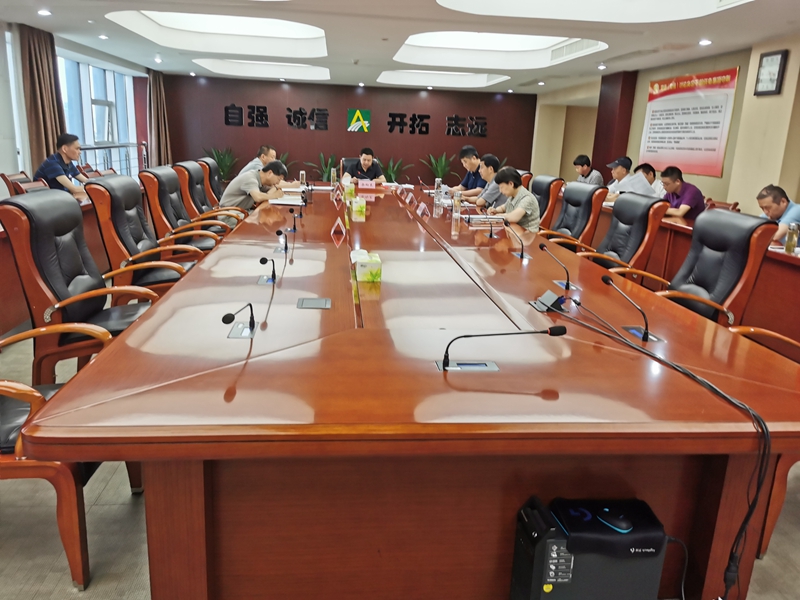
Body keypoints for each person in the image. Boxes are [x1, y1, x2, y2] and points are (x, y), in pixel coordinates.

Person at [219, 161, 288, 221]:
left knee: (266, 215)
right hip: (228, 215)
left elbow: (269, 191)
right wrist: (275, 195)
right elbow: (258, 197)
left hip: (242, 211)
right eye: (279, 179)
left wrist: (275, 188)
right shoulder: (250, 178)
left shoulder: (259, 178)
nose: (278, 182)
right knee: (263, 220)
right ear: (270, 173)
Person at [33, 133, 89, 199]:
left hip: (60, 198)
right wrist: (94, 187)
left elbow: (86, 181)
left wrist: (94, 185)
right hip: (47, 201)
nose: (80, 152)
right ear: (64, 149)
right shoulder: (52, 163)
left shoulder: (68, 163)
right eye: (77, 149)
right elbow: (74, 189)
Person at [487, 166, 540, 232]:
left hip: (527, 235)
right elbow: (504, 207)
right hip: (514, 231)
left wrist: (497, 217)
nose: (500, 191)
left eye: (501, 187)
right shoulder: (513, 196)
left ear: (511, 184)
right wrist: (495, 210)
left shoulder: (527, 198)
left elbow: (513, 217)